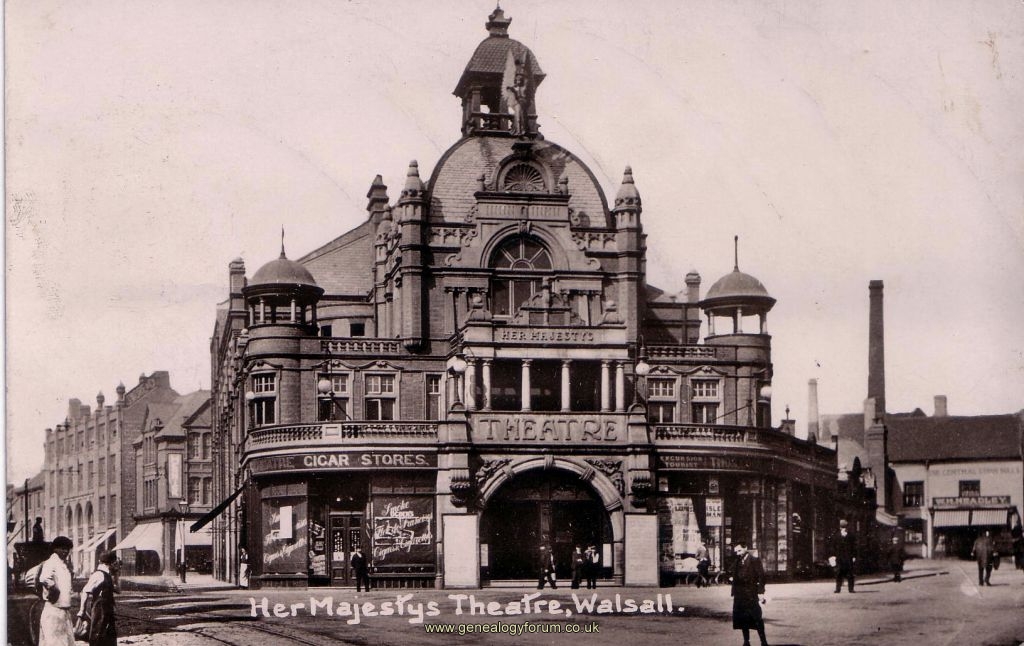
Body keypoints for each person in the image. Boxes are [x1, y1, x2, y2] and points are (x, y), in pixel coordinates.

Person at [38, 535, 75, 646]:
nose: (66, 551)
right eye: (63, 548)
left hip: (64, 610)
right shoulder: (51, 562)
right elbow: (44, 578)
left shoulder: (63, 564)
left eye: (67, 549)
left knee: (66, 642)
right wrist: (54, 588)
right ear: (55, 549)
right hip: (54, 610)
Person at [729, 541, 768, 646]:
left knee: (757, 618)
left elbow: (762, 577)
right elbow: (731, 572)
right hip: (740, 595)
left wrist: (761, 592)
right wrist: (731, 578)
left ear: (745, 548)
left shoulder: (754, 560)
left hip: (751, 594)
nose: (737, 553)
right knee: (742, 619)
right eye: (736, 551)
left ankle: (763, 642)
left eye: (739, 550)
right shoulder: (737, 561)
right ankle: (746, 642)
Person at [78, 551, 119, 646]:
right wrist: (82, 611)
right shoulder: (98, 575)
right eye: (115, 562)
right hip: (100, 610)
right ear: (111, 563)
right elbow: (85, 591)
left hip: (108, 610)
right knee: (98, 635)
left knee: (109, 637)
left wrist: (116, 574)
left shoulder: (108, 575)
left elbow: (118, 590)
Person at [829, 519, 858, 593]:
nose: (844, 528)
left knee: (849, 573)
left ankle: (850, 589)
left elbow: (854, 546)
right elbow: (833, 546)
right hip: (840, 557)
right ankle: (838, 588)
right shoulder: (836, 535)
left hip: (848, 557)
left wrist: (854, 556)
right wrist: (833, 555)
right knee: (839, 573)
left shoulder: (850, 535)